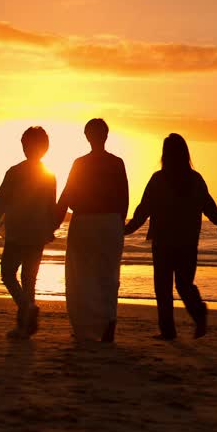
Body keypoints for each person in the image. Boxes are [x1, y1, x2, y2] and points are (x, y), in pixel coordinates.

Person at [124, 134, 217, 340]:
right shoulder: (195, 179)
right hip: (188, 241)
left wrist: (127, 229)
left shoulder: (158, 179)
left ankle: (168, 330)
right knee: (184, 284)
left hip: (163, 241)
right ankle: (198, 312)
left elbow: (143, 209)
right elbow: (209, 205)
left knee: (162, 287)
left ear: (165, 154)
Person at [0, 126, 60, 339]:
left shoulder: (15, 171)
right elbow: (51, 206)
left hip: (18, 229)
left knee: (7, 273)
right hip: (38, 230)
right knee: (29, 278)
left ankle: (26, 309)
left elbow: (2, 201)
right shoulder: (49, 175)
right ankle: (26, 327)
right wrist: (50, 228)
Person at [56, 118, 129, 342]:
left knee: (81, 276)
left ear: (88, 136)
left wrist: (52, 223)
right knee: (108, 276)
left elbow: (66, 196)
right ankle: (108, 326)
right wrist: (119, 224)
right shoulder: (116, 162)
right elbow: (124, 198)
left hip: (85, 222)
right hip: (109, 223)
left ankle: (83, 328)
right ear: (105, 136)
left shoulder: (81, 163)